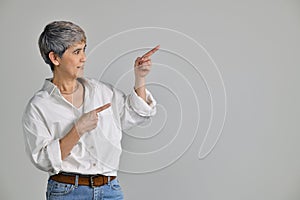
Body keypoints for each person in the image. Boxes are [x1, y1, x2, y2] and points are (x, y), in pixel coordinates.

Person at [22, 21, 159, 200]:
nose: (84, 58)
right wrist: (78, 130)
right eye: (77, 52)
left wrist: (140, 78)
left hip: (110, 190)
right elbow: (43, 159)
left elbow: (136, 114)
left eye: (84, 49)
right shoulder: (39, 107)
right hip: (67, 192)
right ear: (55, 58)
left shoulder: (103, 92)